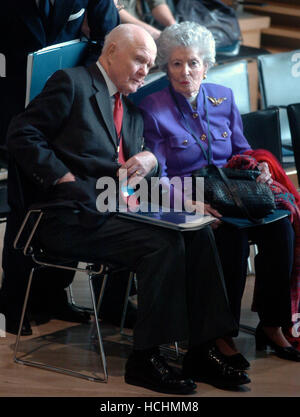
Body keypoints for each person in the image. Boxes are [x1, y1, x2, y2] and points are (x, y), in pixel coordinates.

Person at [7, 23, 251, 394]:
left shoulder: (132, 112)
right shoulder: (71, 83)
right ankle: (145, 358)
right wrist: (64, 179)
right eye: (139, 60)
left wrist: (181, 197)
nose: (144, 70)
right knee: (162, 245)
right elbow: (22, 133)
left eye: (149, 64)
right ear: (111, 53)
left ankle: (202, 349)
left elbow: (143, 177)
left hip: (115, 212)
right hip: (65, 217)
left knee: (198, 231)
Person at [138, 21, 300, 365]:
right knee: (230, 238)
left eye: (193, 63)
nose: (185, 72)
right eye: (176, 63)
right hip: (190, 191)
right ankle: (221, 333)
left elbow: (242, 148)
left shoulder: (223, 97)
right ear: (166, 67)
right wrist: (189, 204)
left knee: (281, 229)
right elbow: (161, 173)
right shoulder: (152, 107)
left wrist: (259, 166)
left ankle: (272, 325)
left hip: (233, 188)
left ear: (207, 65)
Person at [0, 0, 120, 335]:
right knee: (24, 207)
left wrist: (80, 78)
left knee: (67, 199)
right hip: (15, 106)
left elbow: (109, 35)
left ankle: (53, 294)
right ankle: (14, 303)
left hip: (68, 105)